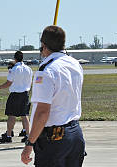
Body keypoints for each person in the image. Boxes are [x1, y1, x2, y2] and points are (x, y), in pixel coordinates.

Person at [21, 25, 85, 167]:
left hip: (54, 139)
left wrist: (29, 143)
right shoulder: (74, 64)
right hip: (75, 134)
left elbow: (42, 112)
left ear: (44, 46)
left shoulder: (46, 70)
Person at [0, 50, 33, 143]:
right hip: (25, 94)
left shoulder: (13, 70)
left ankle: (8, 135)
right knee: (24, 115)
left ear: (15, 58)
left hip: (15, 95)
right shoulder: (29, 69)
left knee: (11, 116)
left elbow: (8, 83)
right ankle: (28, 136)